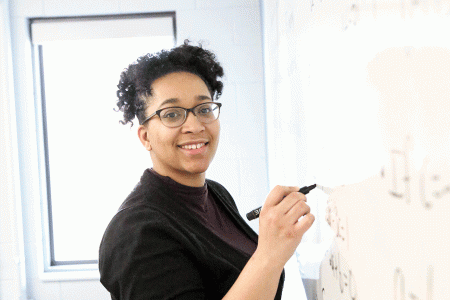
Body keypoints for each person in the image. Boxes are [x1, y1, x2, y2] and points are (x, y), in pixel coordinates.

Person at [99, 40, 315, 300]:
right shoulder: (135, 234)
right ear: (145, 137)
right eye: (171, 114)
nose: (195, 125)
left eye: (203, 109)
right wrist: (270, 254)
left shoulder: (215, 194)